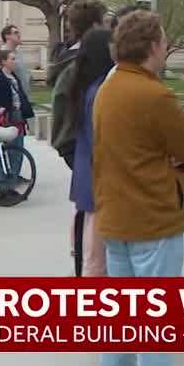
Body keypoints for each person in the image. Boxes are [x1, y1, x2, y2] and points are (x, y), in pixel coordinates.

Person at [93, 10, 184, 366]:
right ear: (152, 46)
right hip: (153, 218)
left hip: (115, 215)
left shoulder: (108, 88)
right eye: (163, 40)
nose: (165, 48)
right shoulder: (154, 94)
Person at [69, 28, 115, 277]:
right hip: (99, 182)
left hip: (89, 179)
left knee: (92, 254)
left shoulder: (88, 87)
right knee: (96, 260)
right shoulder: (100, 90)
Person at [51, 0, 109, 166]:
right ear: (95, 25)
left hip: (71, 140)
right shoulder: (91, 60)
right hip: (82, 140)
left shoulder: (66, 58)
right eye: (103, 22)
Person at [0, 49, 35, 202]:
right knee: (1, 154)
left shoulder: (14, 77)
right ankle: (2, 188)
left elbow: (21, 97)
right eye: (12, 59)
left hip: (17, 118)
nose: (15, 61)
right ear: (3, 61)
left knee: (17, 153)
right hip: (4, 119)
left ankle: (11, 186)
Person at [0, 24, 33, 98]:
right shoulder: (2, 53)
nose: (19, 35)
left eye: (18, 32)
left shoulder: (19, 52)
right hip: (12, 99)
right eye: (15, 33)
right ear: (7, 36)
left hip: (25, 97)